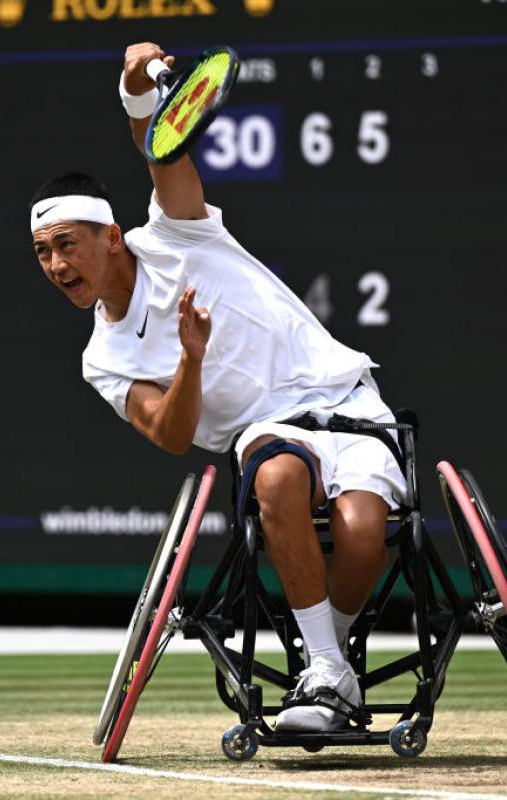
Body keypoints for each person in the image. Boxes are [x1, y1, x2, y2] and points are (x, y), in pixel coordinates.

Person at [29, 42, 407, 732]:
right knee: (275, 482)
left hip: (348, 399)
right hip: (269, 430)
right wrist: (191, 362)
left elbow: (164, 149)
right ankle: (325, 671)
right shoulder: (103, 359)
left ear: (112, 237)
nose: (55, 264)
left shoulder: (177, 232)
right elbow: (172, 436)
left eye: (66, 244)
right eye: (43, 252)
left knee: (361, 535)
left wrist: (135, 89)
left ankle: (330, 662)